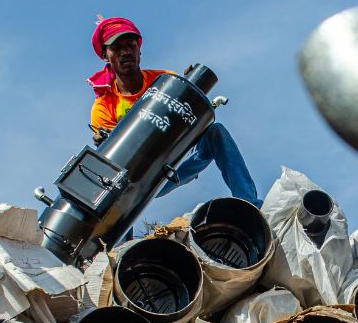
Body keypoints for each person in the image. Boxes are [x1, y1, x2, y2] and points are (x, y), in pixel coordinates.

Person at [88, 16, 259, 205]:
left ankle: (249, 204)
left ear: (139, 49)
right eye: (117, 48)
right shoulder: (105, 107)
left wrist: (188, 91)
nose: (126, 52)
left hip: (175, 165)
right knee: (115, 193)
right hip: (141, 181)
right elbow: (115, 165)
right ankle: (120, 236)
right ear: (105, 56)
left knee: (215, 133)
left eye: (131, 45)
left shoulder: (164, 80)